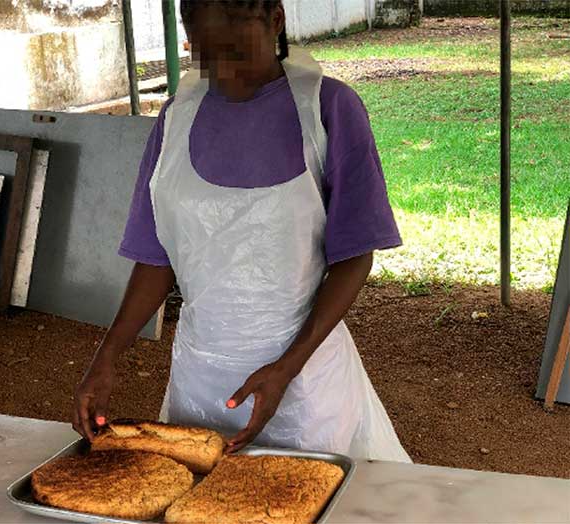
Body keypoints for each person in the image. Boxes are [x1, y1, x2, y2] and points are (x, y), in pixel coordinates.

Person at [73, 0, 411, 462]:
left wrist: (287, 369)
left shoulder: (329, 109)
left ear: (275, 21)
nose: (224, 71)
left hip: (306, 383)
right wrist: (106, 357)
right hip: (201, 379)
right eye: (206, 55)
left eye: (236, 50)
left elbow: (354, 257)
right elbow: (156, 259)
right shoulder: (175, 120)